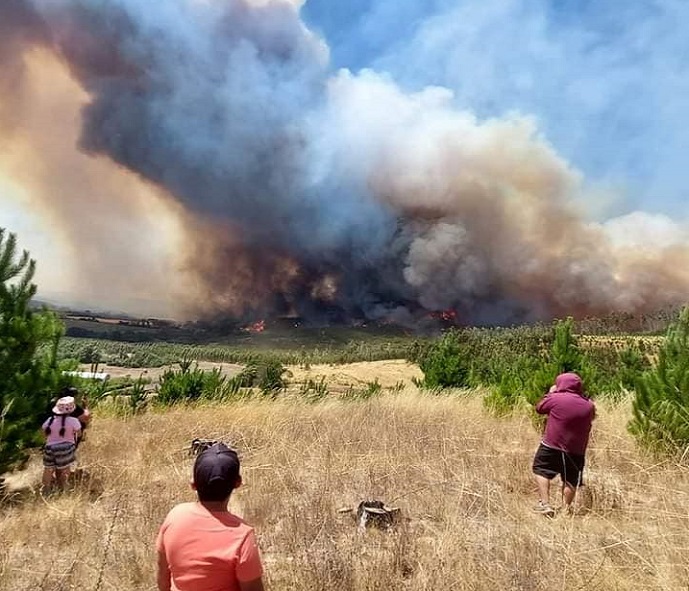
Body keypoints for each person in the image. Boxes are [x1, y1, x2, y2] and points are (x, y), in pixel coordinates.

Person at [156, 442, 265, 591]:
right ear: (238, 483)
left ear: (193, 484)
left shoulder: (174, 517)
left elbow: (163, 578)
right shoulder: (242, 535)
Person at [531, 372, 596, 516]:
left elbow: (539, 408)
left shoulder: (555, 398)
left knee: (541, 469)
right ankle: (566, 508)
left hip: (552, 445)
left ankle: (545, 504)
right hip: (577, 450)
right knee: (571, 478)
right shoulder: (588, 405)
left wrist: (550, 393)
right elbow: (592, 417)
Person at [41, 396, 82, 493]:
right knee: (65, 469)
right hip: (65, 447)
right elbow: (79, 433)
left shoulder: (50, 420)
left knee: (48, 469)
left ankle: (46, 489)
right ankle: (64, 488)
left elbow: (43, 433)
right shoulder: (73, 421)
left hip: (50, 447)